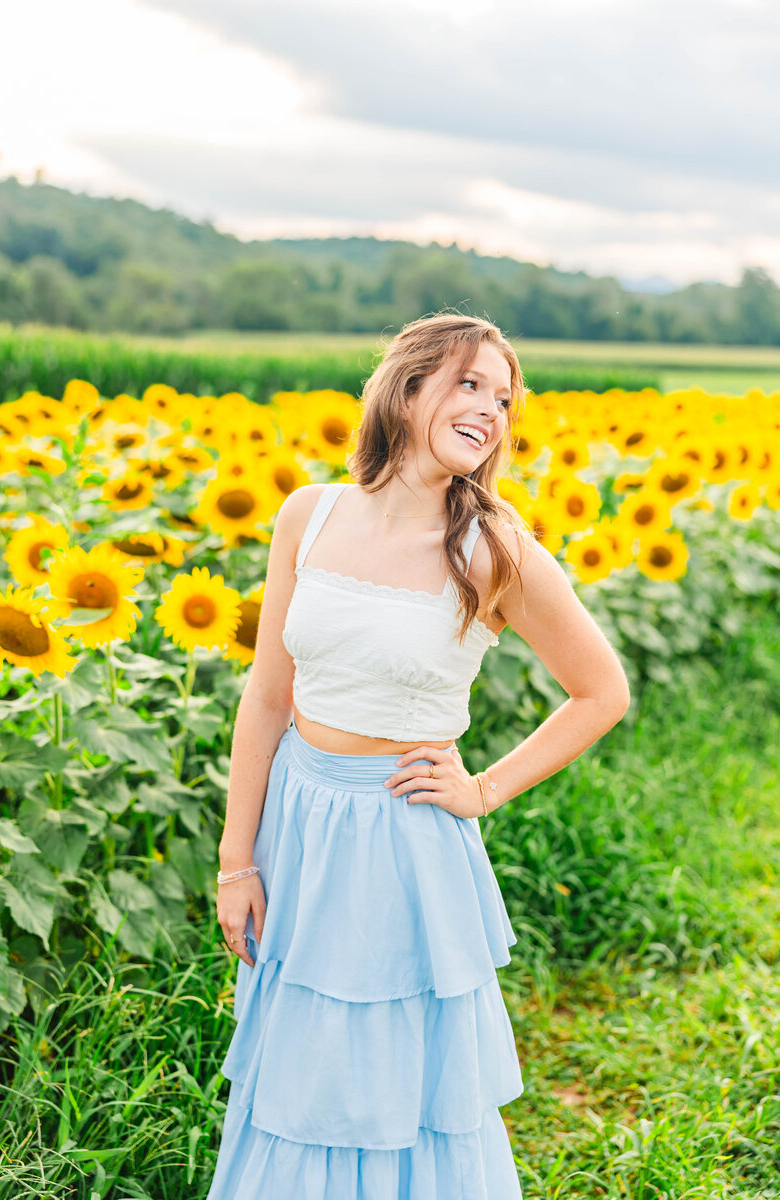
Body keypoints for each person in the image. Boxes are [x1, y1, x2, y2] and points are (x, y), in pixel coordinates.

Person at [204, 312, 631, 1199]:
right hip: (300, 819)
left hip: (402, 837)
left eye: (505, 398)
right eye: (470, 384)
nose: (491, 410)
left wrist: (483, 789)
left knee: (396, 1074)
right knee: (300, 1071)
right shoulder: (308, 515)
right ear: (404, 390)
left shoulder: (493, 547)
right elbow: (269, 698)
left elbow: (601, 693)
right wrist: (235, 858)